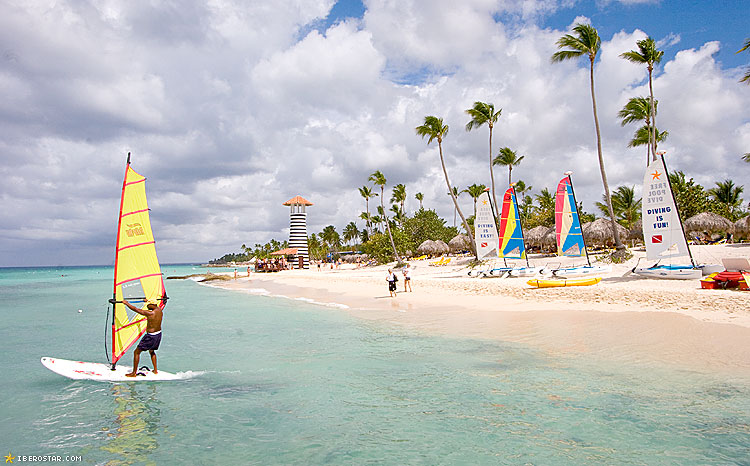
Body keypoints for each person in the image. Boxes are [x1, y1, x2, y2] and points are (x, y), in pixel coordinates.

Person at [122, 299, 163, 377]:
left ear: (152, 305)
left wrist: (127, 303)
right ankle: (155, 370)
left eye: (148, 305)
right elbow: (151, 304)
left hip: (150, 336)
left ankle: (134, 373)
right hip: (158, 334)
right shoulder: (159, 310)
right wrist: (146, 301)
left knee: (136, 352)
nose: (147, 306)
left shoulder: (150, 313)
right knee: (152, 351)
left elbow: (136, 309)